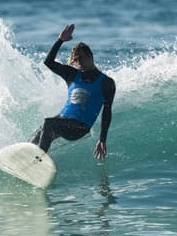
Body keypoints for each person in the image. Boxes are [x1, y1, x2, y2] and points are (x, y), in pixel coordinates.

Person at [30, 24, 116, 159]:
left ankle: (38, 160)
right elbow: (48, 62)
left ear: (90, 56)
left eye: (80, 58)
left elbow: (107, 111)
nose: (78, 62)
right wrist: (60, 40)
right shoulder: (72, 74)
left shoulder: (106, 82)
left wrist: (102, 139)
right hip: (63, 120)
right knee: (38, 133)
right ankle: (26, 155)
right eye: (75, 60)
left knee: (48, 122)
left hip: (80, 127)